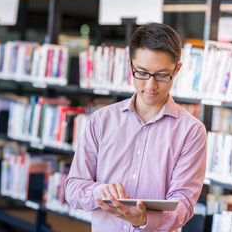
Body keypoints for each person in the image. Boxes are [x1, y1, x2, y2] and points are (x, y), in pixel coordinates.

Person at [64, 22, 207, 231]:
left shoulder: (191, 132)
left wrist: (144, 220)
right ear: (130, 65)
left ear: (177, 70)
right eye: (142, 72)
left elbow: (183, 203)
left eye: (162, 75)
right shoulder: (101, 121)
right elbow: (73, 188)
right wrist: (100, 192)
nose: (151, 85)